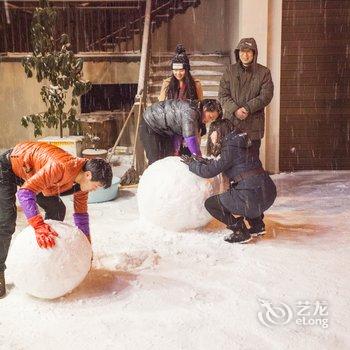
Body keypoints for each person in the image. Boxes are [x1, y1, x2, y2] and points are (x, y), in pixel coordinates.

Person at [0, 142, 113, 298]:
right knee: (6, 221)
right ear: (88, 175)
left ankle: (48, 257)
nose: (95, 189)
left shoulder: (82, 181)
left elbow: (81, 216)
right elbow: (25, 192)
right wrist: (38, 226)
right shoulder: (60, 167)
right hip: (9, 166)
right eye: (96, 186)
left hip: (33, 173)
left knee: (58, 209)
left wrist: (87, 247)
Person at [180, 119, 276, 244]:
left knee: (212, 204)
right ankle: (258, 225)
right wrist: (206, 162)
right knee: (248, 192)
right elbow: (230, 163)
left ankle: (239, 231)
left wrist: (192, 164)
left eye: (212, 131)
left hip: (252, 197)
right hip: (267, 194)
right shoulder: (241, 143)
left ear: (220, 132)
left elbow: (209, 172)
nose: (211, 135)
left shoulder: (230, 148)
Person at [218, 37, 274, 158]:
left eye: (249, 51)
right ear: (238, 53)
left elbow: (266, 95)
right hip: (231, 124)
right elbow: (222, 95)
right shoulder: (230, 71)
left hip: (253, 126)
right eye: (242, 51)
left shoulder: (264, 72)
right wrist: (235, 109)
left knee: (251, 161)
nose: (245, 55)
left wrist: (248, 108)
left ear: (254, 53)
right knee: (230, 160)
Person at [140, 99, 222, 165]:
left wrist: (176, 151)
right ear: (204, 108)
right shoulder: (190, 112)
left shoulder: (196, 113)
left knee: (168, 159)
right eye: (210, 116)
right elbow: (190, 138)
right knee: (155, 161)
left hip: (164, 130)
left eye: (212, 120)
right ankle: (152, 184)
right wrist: (198, 156)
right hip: (150, 124)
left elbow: (179, 132)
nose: (209, 121)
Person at [158, 44, 205, 154]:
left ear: (187, 69)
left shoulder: (195, 85)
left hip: (189, 126)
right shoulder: (167, 84)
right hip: (171, 125)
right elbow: (161, 105)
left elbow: (200, 106)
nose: (178, 73)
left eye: (181, 70)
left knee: (189, 154)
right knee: (172, 156)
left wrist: (201, 124)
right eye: (175, 70)